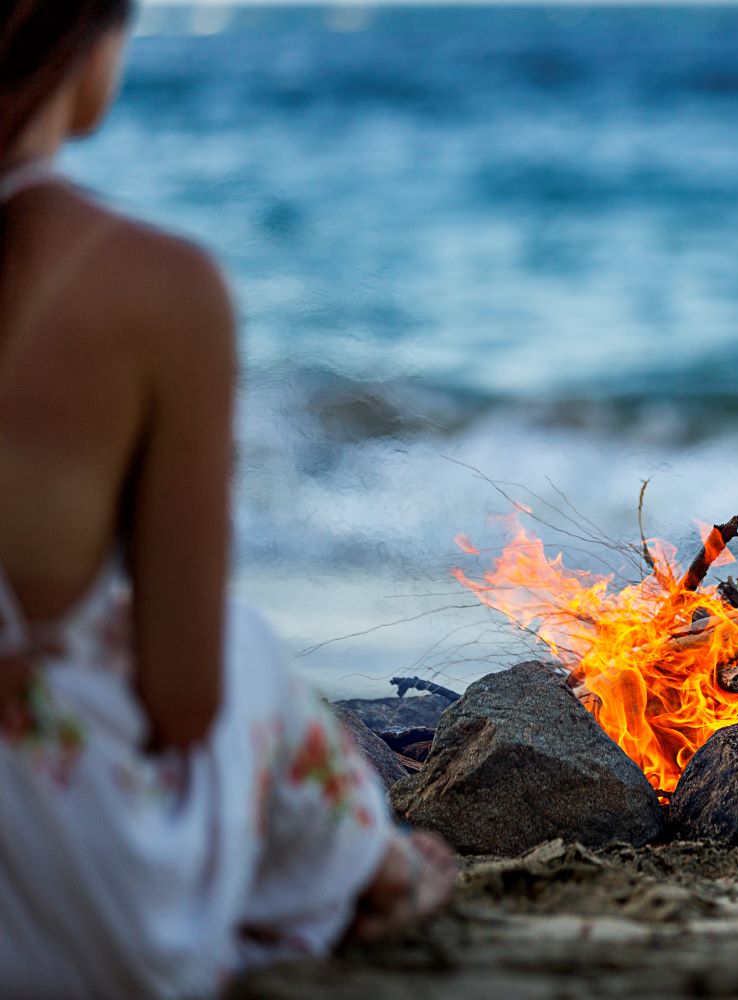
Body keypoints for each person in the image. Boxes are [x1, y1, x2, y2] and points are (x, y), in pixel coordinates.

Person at [0, 2, 456, 995]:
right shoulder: (155, 286)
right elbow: (184, 697)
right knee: (243, 657)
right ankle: (375, 870)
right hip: (60, 901)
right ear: (86, 40)